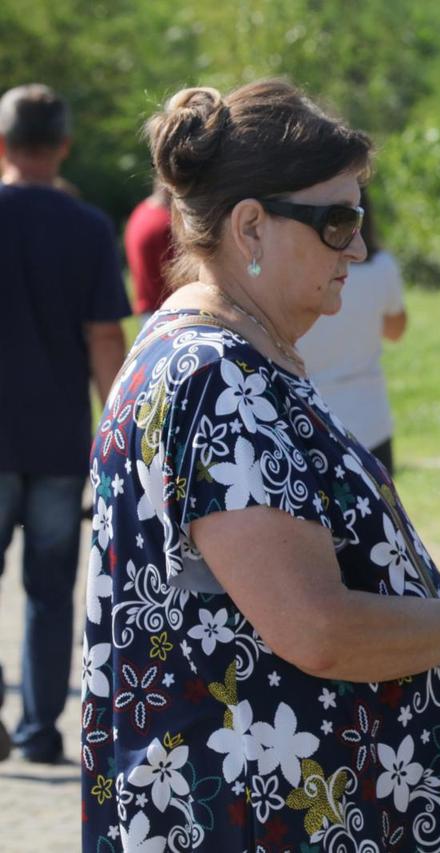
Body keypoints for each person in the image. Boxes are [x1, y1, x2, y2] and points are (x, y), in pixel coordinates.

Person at [82, 81, 440, 850]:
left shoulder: (226, 356)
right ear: (251, 227)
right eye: (337, 222)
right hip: (263, 819)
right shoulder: (214, 376)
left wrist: (439, 638)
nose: (358, 249)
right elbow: (317, 627)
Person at [0, 83, 129, 764]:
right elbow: (106, 337)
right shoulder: (86, 227)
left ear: (1, 144)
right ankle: (40, 730)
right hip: (55, 440)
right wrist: (124, 432)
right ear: (65, 146)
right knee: (51, 593)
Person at [297, 187, 407, 473]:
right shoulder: (382, 268)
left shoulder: (301, 275)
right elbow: (396, 330)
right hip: (370, 418)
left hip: (311, 418)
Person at [123, 178, 176, 320]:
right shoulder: (165, 223)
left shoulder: (141, 211)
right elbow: (181, 275)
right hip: (167, 311)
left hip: (149, 308)